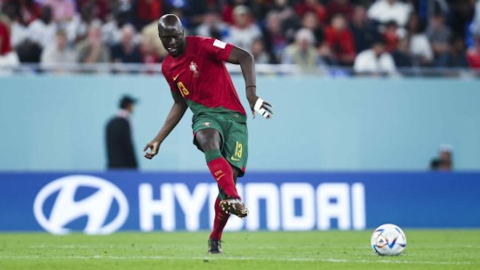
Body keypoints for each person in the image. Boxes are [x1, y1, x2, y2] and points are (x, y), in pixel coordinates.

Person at [143, 14, 273, 254]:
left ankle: (215, 237)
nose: (170, 43)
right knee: (207, 139)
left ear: (182, 32)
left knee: (228, 178)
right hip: (205, 116)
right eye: (165, 38)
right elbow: (180, 103)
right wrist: (158, 138)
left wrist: (252, 95)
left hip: (234, 118)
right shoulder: (167, 67)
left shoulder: (203, 45)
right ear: (160, 38)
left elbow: (246, 57)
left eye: (174, 36)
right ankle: (234, 198)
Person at [106, 95, 138, 169]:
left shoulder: (111, 122)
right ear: (128, 106)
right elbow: (128, 145)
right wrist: (134, 166)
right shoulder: (125, 122)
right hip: (125, 167)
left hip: (112, 165)